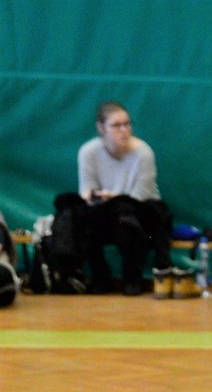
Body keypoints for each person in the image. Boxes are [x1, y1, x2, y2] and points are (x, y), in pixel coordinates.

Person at [77, 101, 192, 297]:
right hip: (106, 212)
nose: (124, 130)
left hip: (142, 214)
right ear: (101, 128)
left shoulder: (143, 152)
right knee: (81, 218)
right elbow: (87, 192)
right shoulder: (88, 152)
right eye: (116, 125)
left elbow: (139, 198)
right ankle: (100, 278)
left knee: (126, 221)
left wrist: (113, 197)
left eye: (127, 124)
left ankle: (133, 278)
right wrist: (101, 199)